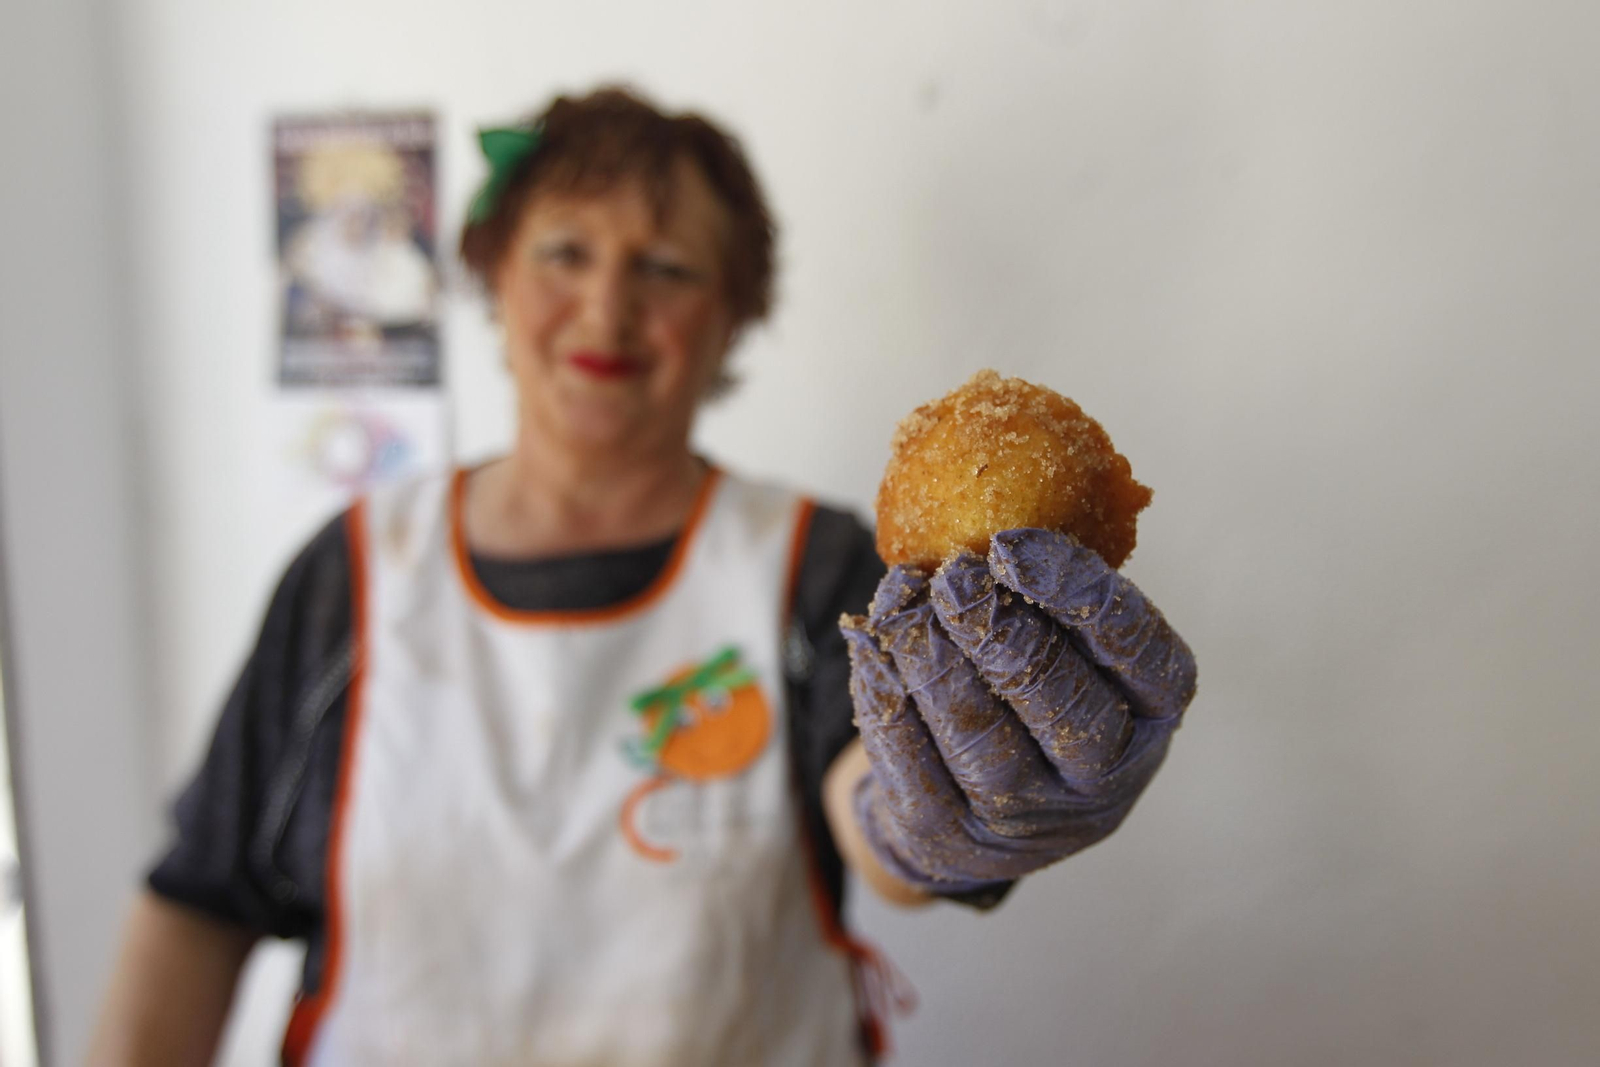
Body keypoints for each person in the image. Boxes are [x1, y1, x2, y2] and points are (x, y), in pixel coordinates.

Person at [88, 86, 1196, 1066]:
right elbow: (201, 902)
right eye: (564, 252)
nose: (608, 308)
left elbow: (877, 808)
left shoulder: (812, 564)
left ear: (729, 319)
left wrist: (949, 813)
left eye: (666, 268)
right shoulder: (356, 572)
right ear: (493, 278)